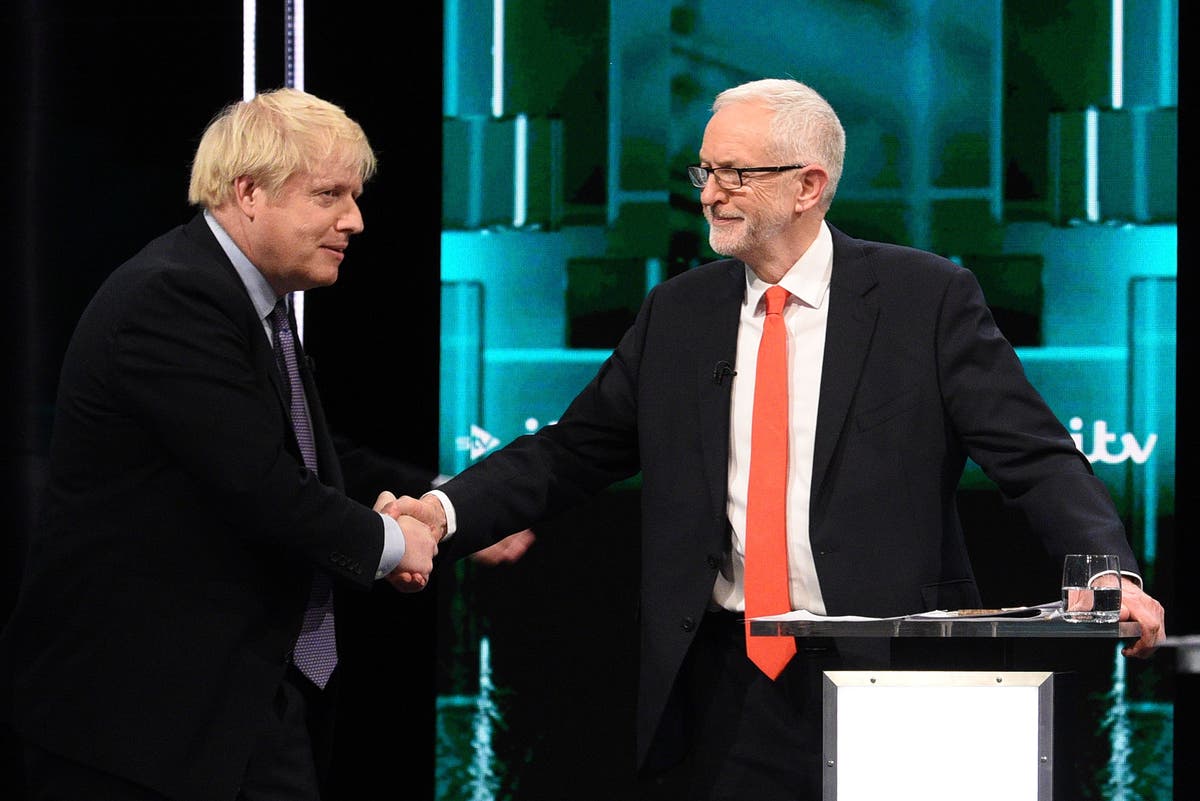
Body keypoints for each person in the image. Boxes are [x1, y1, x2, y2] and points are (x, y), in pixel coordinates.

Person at [392, 78, 1167, 800]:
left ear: (809, 185)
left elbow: (1033, 454)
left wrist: (1110, 571)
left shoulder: (924, 298)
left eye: (738, 174)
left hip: (892, 672)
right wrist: (442, 512)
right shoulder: (679, 313)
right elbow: (572, 449)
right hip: (724, 677)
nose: (712, 195)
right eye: (705, 172)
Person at [0, 88, 441, 801]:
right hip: (135, 725)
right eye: (329, 194)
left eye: (355, 197)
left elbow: (306, 455)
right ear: (248, 192)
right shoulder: (172, 297)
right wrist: (391, 543)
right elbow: (262, 485)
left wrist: (437, 497)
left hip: (226, 705)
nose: (354, 221)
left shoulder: (248, 298)